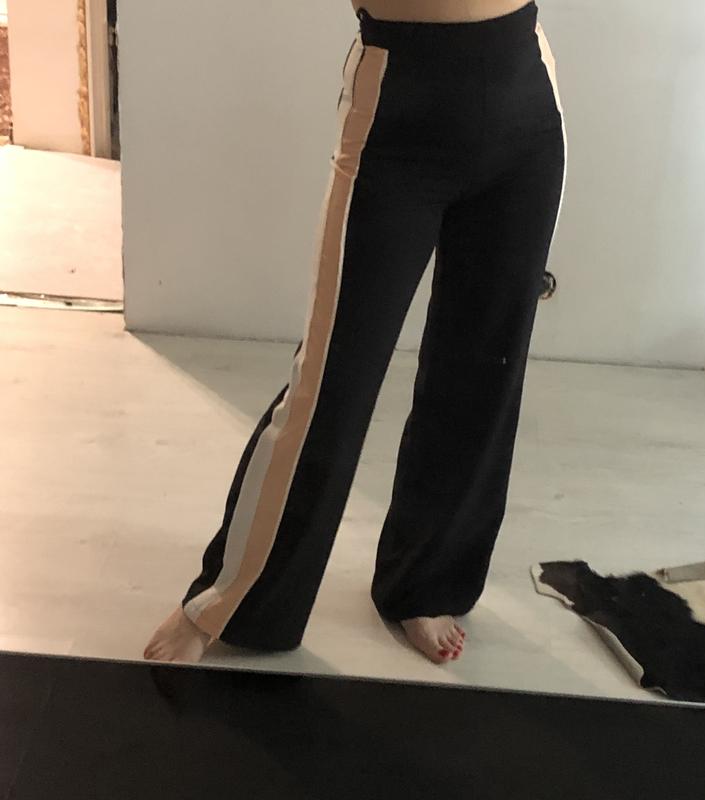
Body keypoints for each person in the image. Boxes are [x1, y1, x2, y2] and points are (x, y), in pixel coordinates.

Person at [144, 0, 566, 666]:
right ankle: (231, 597)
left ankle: (425, 583)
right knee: (330, 376)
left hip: (524, 98)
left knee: (484, 368)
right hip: (399, 104)